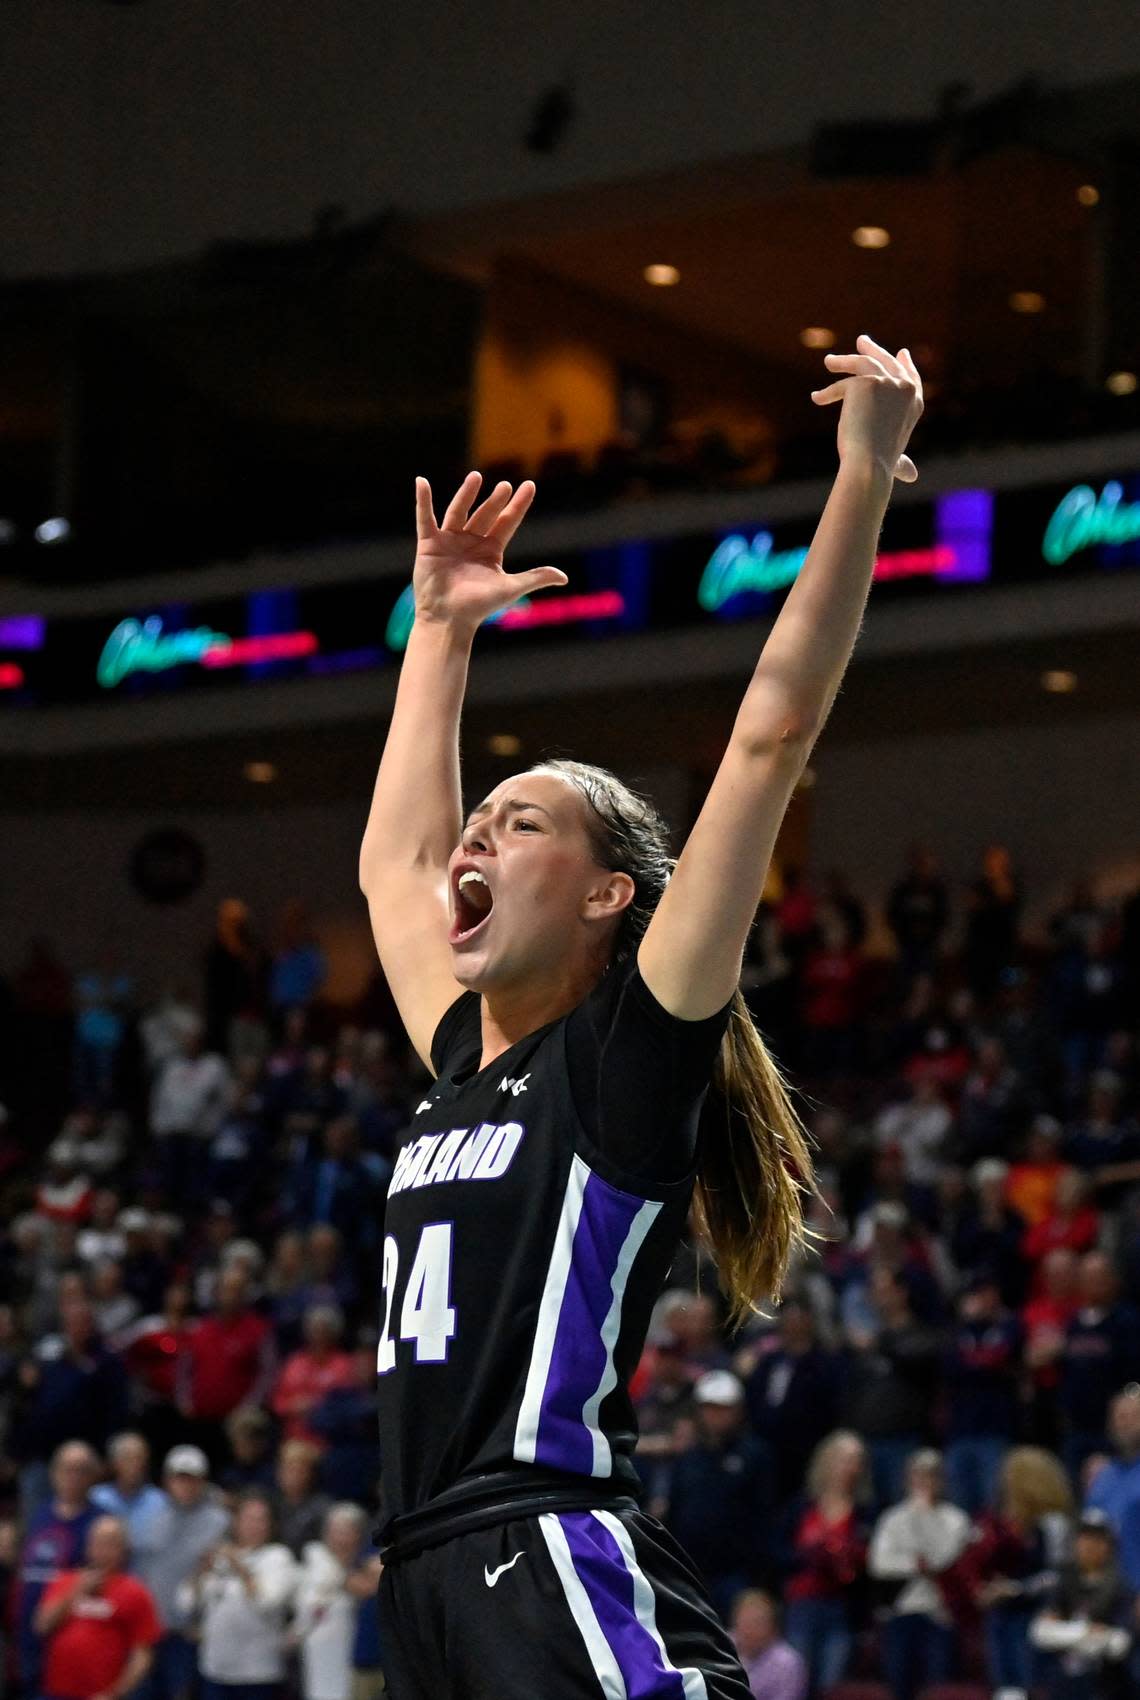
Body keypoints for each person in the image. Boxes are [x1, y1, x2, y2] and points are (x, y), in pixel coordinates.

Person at [357, 341, 923, 1697]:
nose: (476, 832)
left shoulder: (621, 1061)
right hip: (424, 1584)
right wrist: (440, 633)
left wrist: (861, 480)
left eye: (523, 819)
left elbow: (771, 736)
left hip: (545, 1549)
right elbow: (394, 862)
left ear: (612, 894)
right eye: (481, 816)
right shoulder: (459, 1057)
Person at [664, 1372, 773, 1620]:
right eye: (709, 1408)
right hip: (691, 1570)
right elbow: (676, 1509)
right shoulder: (689, 1458)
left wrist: (757, 1571)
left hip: (735, 1572)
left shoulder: (755, 1456)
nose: (715, 1416)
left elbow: (762, 1515)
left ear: (738, 1410)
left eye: (723, 1409)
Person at [868, 1449, 972, 1700]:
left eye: (931, 1476)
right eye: (918, 1476)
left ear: (942, 1480)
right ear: (907, 1480)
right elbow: (880, 1564)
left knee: (938, 1689)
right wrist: (918, 1566)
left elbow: (943, 1560)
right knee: (899, 1686)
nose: (924, 1483)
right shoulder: (892, 1519)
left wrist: (923, 1518)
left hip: (939, 1613)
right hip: (901, 1611)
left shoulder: (955, 1519)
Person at [178, 1490, 297, 1700]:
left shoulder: (279, 1557)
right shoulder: (221, 1556)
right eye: (248, 1519)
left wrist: (240, 1569)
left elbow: (268, 1603)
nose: (254, 1526)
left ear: (271, 1525)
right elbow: (186, 1603)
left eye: (261, 1520)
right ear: (236, 1522)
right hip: (215, 1669)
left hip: (258, 1673)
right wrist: (199, 1573)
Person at [135, 1445, 231, 1700]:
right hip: (152, 1631)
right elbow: (140, 1572)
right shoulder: (150, 1517)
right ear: (167, 1480)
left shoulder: (220, 1521)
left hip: (191, 1634)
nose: (186, 1486)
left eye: (193, 1479)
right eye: (180, 1478)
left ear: (203, 1481)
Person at [781, 1430, 870, 1697]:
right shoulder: (801, 1506)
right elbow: (777, 1550)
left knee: (832, 1688)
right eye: (845, 1459)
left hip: (841, 1608)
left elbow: (869, 1563)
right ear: (827, 1462)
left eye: (857, 1460)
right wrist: (806, 1555)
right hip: (802, 1604)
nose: (852, 1467)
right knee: (797, 1684)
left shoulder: (866, 1511)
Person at [35, 1515, 162, 1700]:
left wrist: (116, 1693)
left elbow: (142, 1653)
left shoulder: (135, 1591)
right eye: (98, 1542)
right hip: (56, 1691)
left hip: (102, 1694)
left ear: (123, 1550)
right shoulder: (65, 1580)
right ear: (88, 1546)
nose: (103, 1550)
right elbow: (42, 1626)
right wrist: (75, 1591)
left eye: (111, 1543)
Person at [14, 1440, 101, 1692]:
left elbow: (99, 1580)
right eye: (66, 1468)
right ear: (53, 1473)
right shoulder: (38, 1513)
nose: (72, 1477)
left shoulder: (98, 1521)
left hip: (68, 1636)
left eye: (81, 1470)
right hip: (27, 1631)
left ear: (92, 1476)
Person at [1029, 1509, 1134, 1699]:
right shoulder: (1063, 1579)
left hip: (1103, 1682)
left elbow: (1119, 1642)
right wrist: (1085, 1633)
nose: (1089, 1546)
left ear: (1108, 1545)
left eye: (1097, 1540)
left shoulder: (1120, 1586)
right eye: (1084, 1538)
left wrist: (1064, 1632)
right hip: (1064, 1680)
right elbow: (1041, 1632)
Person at [292, 1504, 370, 1700]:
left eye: (346, 1532)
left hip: (352, 1653)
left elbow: (364, 1591)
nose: (339, 1539)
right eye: (334, 1531)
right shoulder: (315, 1557)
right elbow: (306, 1603)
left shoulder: (366, 1565)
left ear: (358, 1536)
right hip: (316, 1648)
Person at [92, 1433, 169, 1566]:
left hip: (145, 1573)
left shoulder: (160, 1501)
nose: (135, 1465)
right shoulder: (97, 1497)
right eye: (128, 1458)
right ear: (114, 1463)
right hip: (104, 1573)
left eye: (139, 1458)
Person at [729, 1589, 807, 1700]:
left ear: (773, 1629)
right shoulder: (720, 1648)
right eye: (745, 1622)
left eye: (756, 1623)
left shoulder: (788, 1664)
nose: (749, 1630)